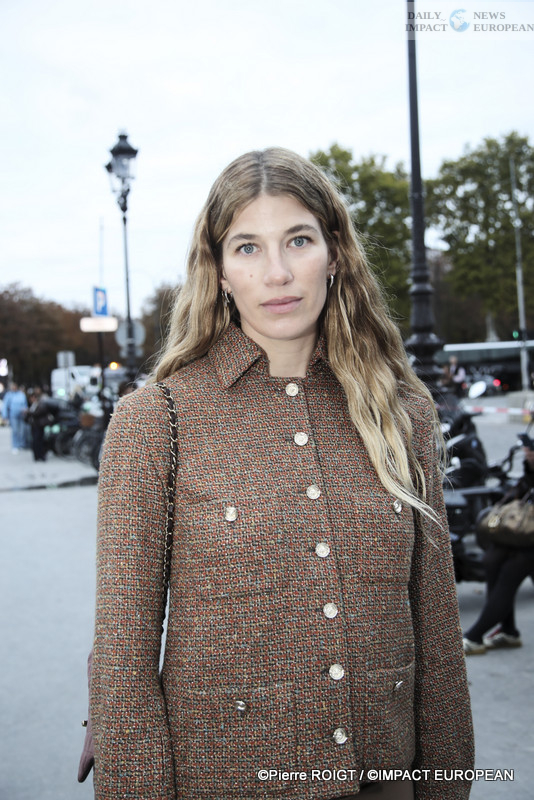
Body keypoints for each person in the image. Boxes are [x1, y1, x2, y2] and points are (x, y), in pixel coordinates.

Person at [90, 148, 474, 800]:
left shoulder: (404, 415)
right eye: (248, 247)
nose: (277, 273)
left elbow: (437, 636)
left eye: (298, 240)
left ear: (335, 254)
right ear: (218, 272)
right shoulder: (157, 421)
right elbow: (122, 660)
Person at [463, 448, 534, 655]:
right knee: (492, 559)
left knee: (512, 570)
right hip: (525, 531)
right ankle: (509, 631)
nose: (528, 452)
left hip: (529, 538)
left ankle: (474, 636)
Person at [1, 381, 28, 453]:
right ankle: (15, 446)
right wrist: (4, 416)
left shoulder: (21, 394)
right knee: (15, 431)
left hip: (21, 415)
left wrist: (26, 410)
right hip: (13, 415)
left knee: (22, 431)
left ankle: (21, 444)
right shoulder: (9, 395)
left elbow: (25, 404)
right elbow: (5, 406)